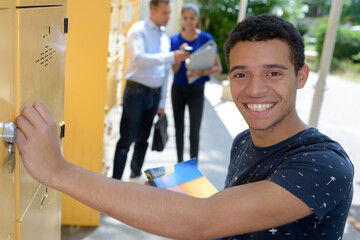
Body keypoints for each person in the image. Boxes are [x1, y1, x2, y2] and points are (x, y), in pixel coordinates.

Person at [16, 14, 353, 239]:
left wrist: (57, 170)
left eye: (273, 73)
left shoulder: (324, 165)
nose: (254, 89)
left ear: (301, 76)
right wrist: (178, 193)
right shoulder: (243, 141)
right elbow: (232, 217)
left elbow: (206, 220)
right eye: (241, 74)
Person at [112, 0, 189, 181]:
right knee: (126, 140)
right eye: (165, 12)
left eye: (170, 12)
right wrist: (171, 56)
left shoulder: (164, 36)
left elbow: (163, 72)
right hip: (135, 93)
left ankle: (134, 177)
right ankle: (115, 182)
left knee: (143, 140)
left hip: (154, 96)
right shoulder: (137, 31)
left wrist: (162, 102)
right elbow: (139, 59)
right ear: (153, 11)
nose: (169, 17)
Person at [170, 3, 222, 163]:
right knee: (179, 130)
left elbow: (218, 67)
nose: (188, 21)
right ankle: (179, 164)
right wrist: (181, 55)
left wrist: (199, 72)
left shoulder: (206, 38)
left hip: (197, 90)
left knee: (194, 132)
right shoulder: (175, 39)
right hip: (177, 89)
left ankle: (193, 167)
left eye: (192, 18)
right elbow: (174, 69)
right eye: (185, 18)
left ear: (197, 19)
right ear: (181, 19)